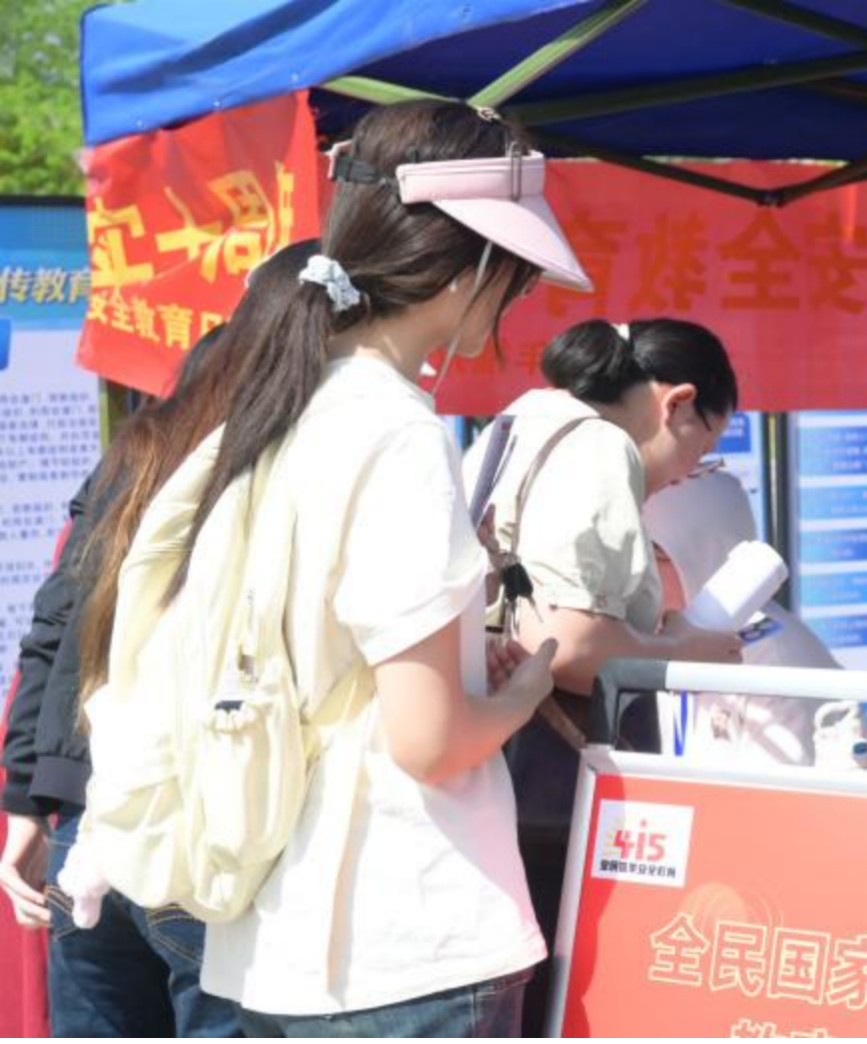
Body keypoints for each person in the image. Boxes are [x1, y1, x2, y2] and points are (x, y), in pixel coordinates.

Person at [89, 100, 589, 1037]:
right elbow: (429, 741)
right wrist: (523, 691)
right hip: (411, 924)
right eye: (515, 278)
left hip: (276, 934)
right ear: (471, 265)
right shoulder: (397, 432)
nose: (515, 301)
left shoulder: (280, 406)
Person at [1, 241, 322, 1038]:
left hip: (92, 818)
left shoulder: (138, 450)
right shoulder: (283, 460)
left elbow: (57, 622)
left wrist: (28, 799)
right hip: (211, 828)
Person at [465, 317, 744, 1035]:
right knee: (570, 998)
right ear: (678, 403)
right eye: (700, 451)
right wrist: (686, 651)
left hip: (491, 773)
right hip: (555, 795)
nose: (680, 478)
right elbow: (573, 644)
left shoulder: (519, 421)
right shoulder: (598, 446)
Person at [642, 469, 838, 767]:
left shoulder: (779, 663)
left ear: (700, 557)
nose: (637, 573)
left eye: (652, 555)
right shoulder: (673, 643)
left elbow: (786, 794)